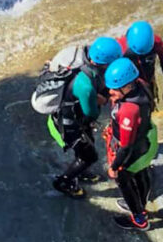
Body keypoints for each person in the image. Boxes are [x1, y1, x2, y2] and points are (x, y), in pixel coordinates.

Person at [49, 36, 122, 199]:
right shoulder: (86, 86)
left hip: (72, 116)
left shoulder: (84, 67)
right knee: (90, 156)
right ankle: (64, 182)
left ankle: (80, 171)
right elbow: (92, 113)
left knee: (86, 146)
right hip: (69, 124)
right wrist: (100, 100)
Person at [103, 58, 160, 231]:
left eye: (115, 88)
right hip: (146, 142)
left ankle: (139, 218)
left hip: (133, 149)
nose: (110, 92)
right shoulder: (141, 84)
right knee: (141, 172)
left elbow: (126, 146)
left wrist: (115, 166)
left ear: (127, 87)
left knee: (124, 179)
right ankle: (141, 202)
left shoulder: (129, 110)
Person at [117, 20, 163, 106]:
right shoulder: (121, 47)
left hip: (148, 79)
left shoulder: (157, 43)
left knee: (149, 103)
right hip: (129, 83)